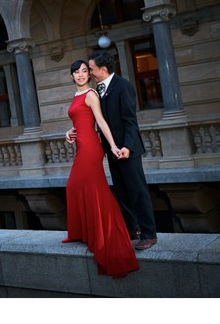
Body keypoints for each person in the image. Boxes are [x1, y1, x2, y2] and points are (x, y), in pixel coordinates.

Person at [62, 60, 139, 278]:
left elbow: (101, 122)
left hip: (91, 148)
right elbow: (81, 120)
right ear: (71, 76)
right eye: (76, 72)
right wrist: (69, 132)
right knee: (75, 187)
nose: (80, 75)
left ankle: (106, 233)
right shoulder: (77, 96)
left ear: (89, 75)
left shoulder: (91, 94)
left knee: (91, 188)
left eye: (85, 71)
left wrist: (113, 145)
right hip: (81, 146)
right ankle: (84, 232)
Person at [84, 49, 157, 250]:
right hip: (111, 151)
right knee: (122, 193)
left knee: (138, 192)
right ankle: (131, 230)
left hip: (128, 150)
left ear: (104, 69)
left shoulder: (123, 86)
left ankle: (149, 234)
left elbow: (130, 121)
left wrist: (127, 147)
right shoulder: (97, 90)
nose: (89, 73)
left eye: (91, 69)